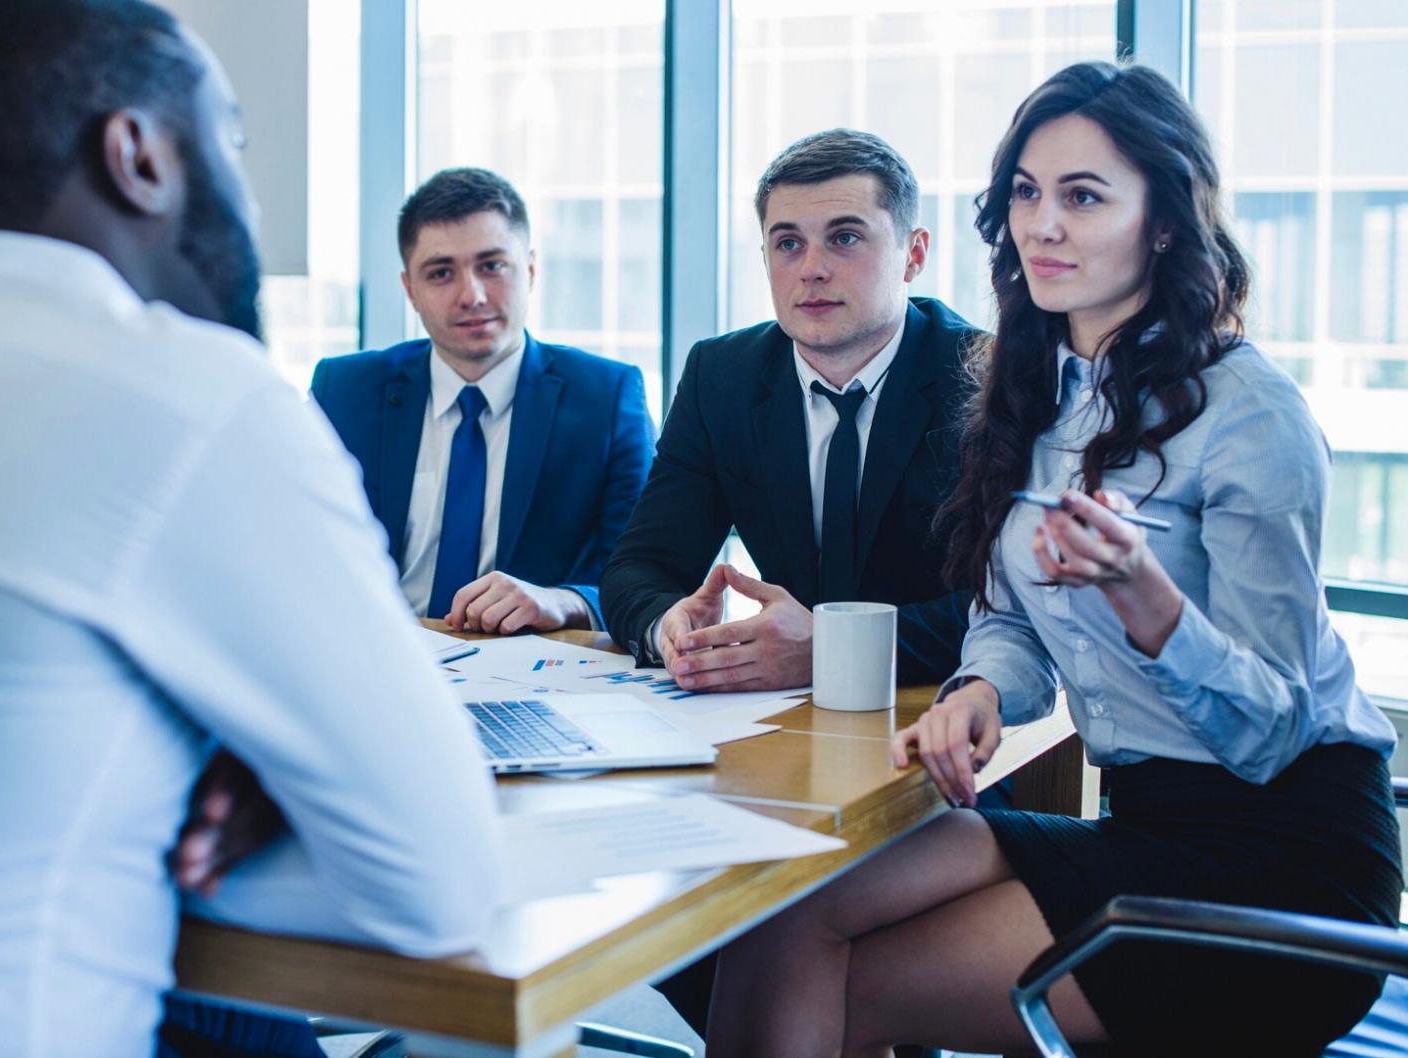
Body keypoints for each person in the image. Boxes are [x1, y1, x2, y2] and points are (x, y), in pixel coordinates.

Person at [0, 3, 500, 1058]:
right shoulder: (189, 392)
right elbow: (447, 885)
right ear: (135, 153)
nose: (251, 188)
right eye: (228, 139)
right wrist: (276, 774)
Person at [707, 61, 1402, 1058]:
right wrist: (980, 689)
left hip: (1281, 864)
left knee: (825, 987)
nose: (1042, 224)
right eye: (1026, 193)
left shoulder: (1251, 413)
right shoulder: (1033, 394)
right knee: (779, 905)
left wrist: (1147, 599)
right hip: (1143, 824)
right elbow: (1006, 617)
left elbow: (1269, 730)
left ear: (1161, 222)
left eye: (1081, 196)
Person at [600, 128, 974, 695]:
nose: (811, 269)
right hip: (777, 713)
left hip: (942, 713)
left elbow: (1013, 605)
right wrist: (667, 627)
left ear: (913, 255)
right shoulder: (721, 376)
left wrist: (831, 651)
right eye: (788, 244)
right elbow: (641, 566)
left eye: (844, 239)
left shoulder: (984, 377)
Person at [311, 167, 654, 634]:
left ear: (530, 270)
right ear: (410, 289)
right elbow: (294, 545)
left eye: (492, 266)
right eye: (441, 273)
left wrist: (563, 600)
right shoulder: (343, 391)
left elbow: (647, 574)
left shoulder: (607, 398)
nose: (471, 296)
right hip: (377, 654)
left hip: (534, 670)